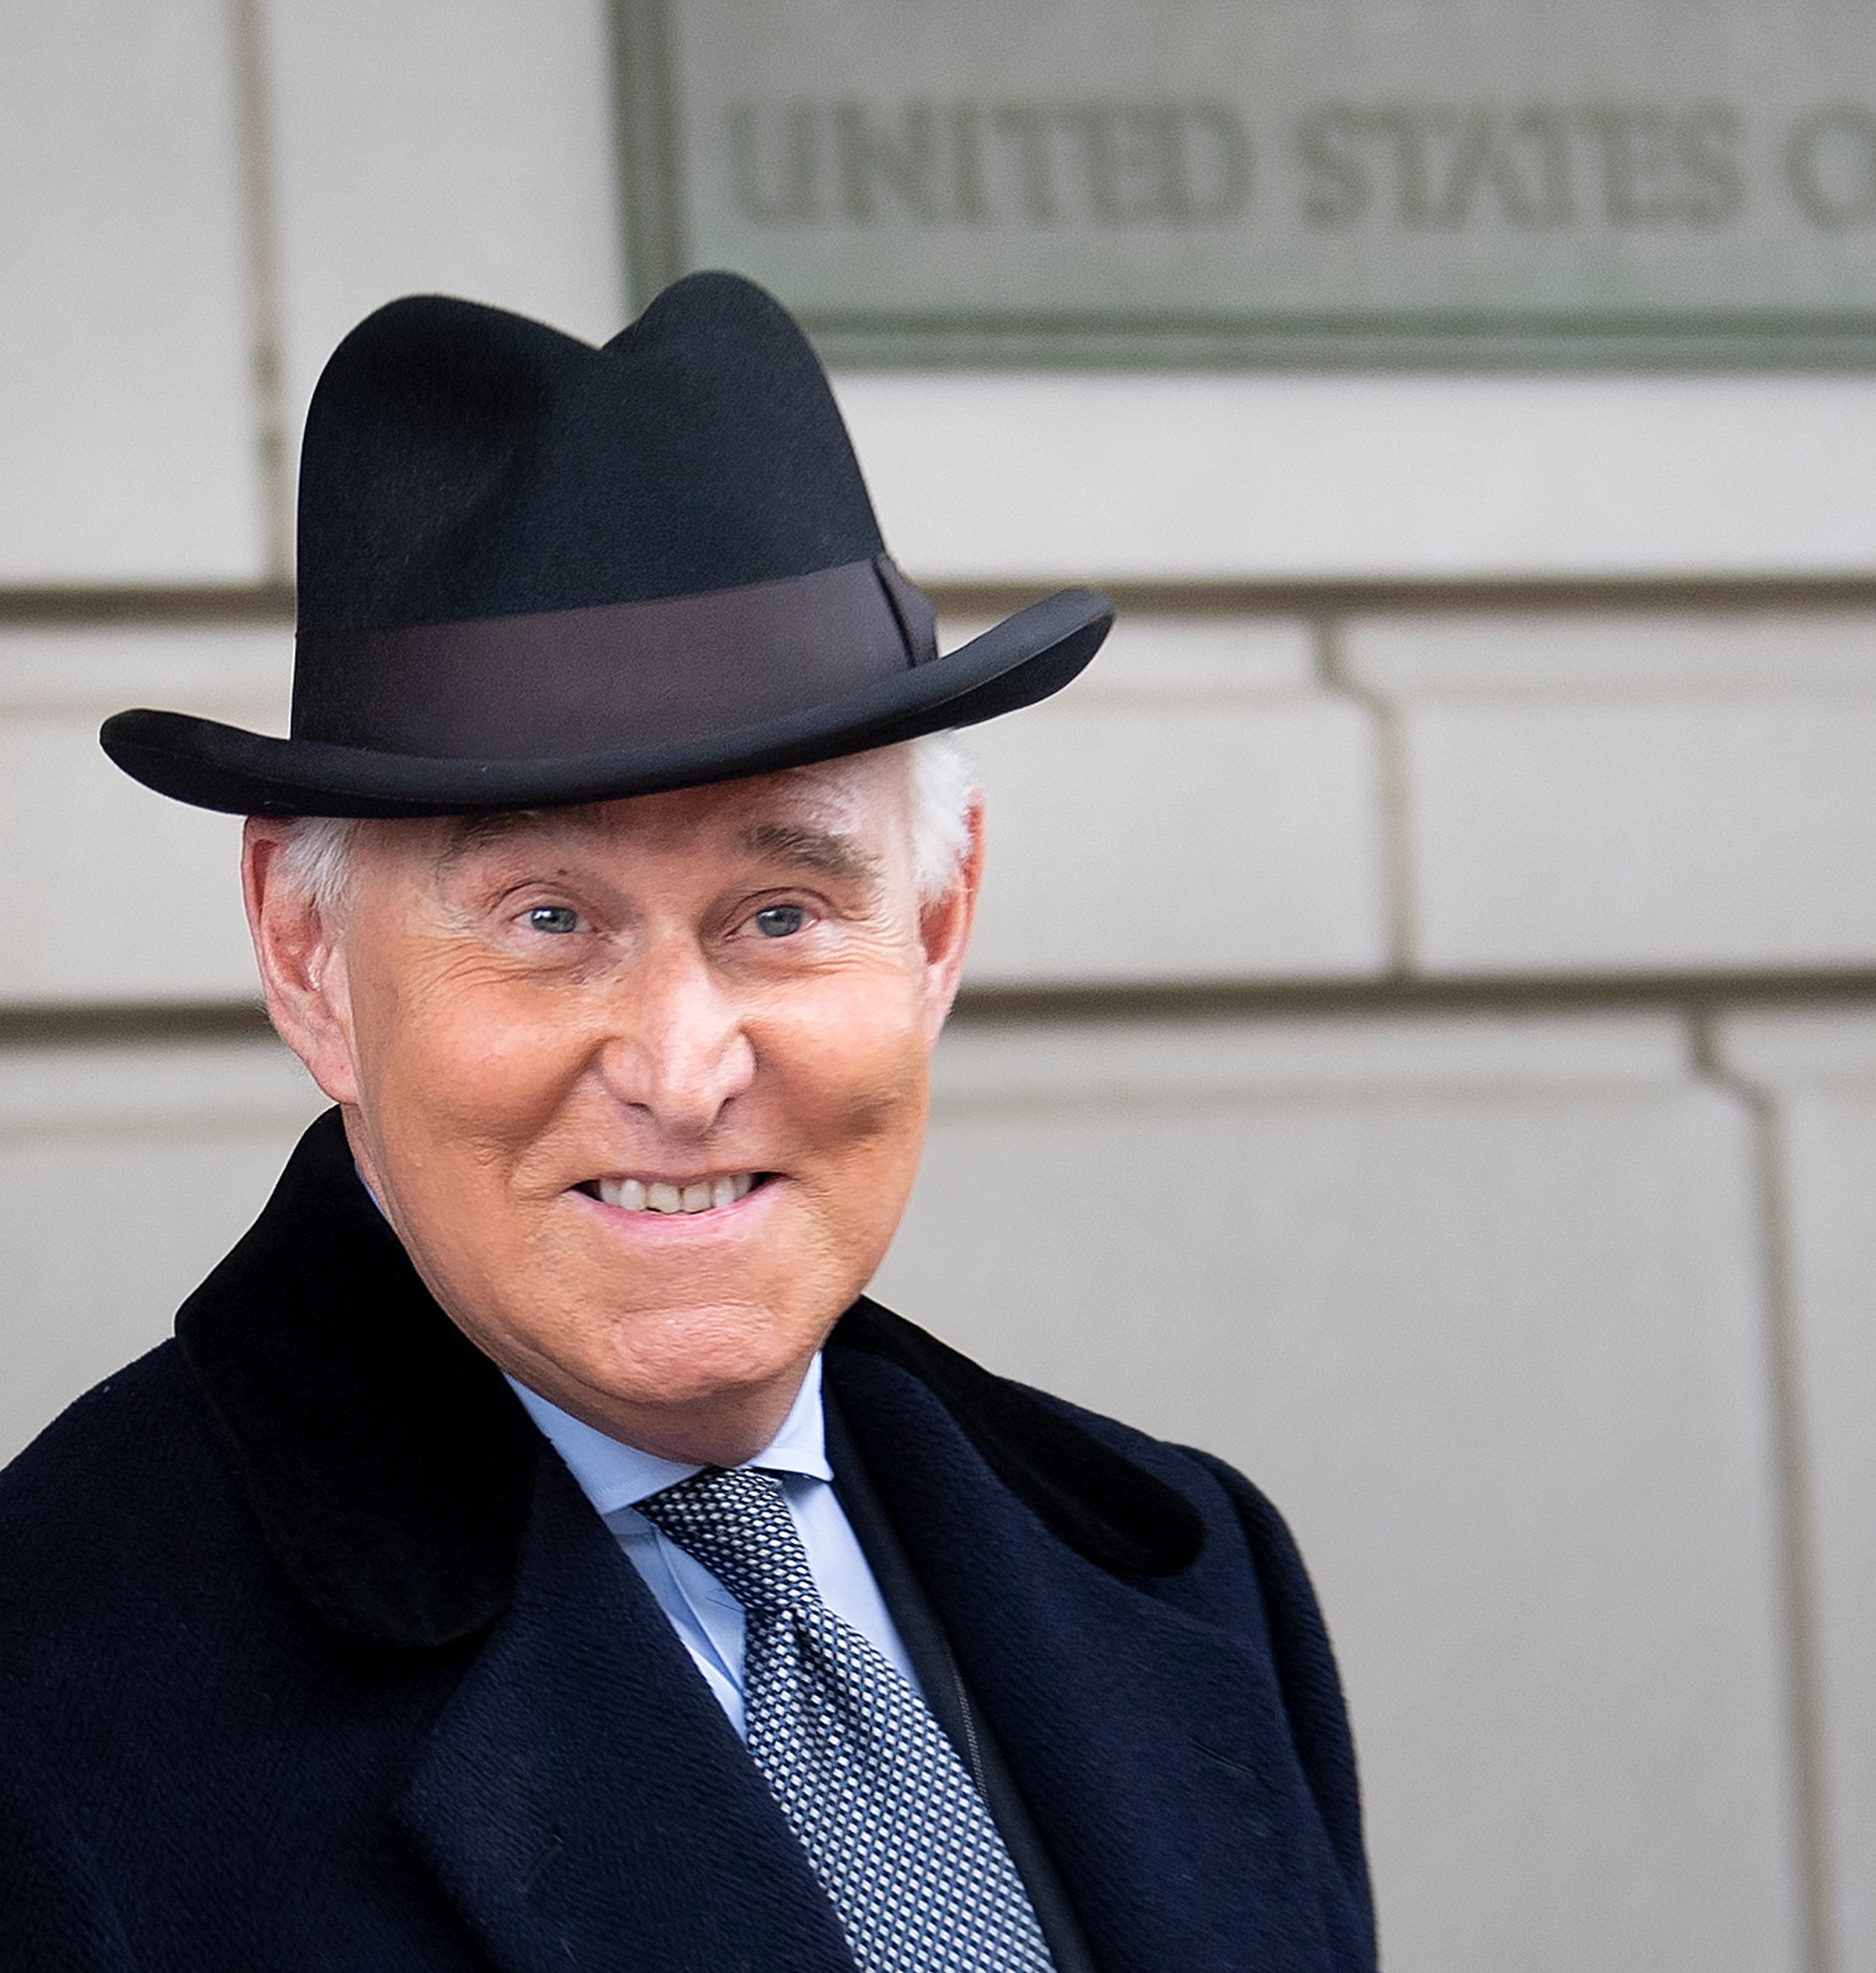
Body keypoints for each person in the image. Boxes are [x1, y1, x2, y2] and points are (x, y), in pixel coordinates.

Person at [0, 273, 1373, 1973]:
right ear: (308, 955)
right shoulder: (53, 1697)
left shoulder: (1189, 1571)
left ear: (937, 928)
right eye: (547, 921)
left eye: (781, 913)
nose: (679, 1067)